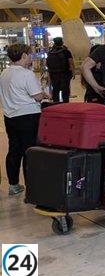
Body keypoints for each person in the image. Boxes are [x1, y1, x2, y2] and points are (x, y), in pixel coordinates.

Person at [1, 43, 49, 196]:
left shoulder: (4, 73)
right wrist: (44, 93)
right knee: (30, 151)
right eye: (29, 54)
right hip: (28, 117)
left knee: (14, 150)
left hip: (10, 116)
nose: (31, 57)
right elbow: (37, 96)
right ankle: (32, 187)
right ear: (23, 56)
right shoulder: (26, 74)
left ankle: (13, 185)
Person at [46, 37, 74, 103]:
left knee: (55, 90)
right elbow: (71, 63)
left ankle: (56, 104)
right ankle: (65, 105)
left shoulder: (50, 52)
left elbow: (47, 64)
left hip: (54, 74)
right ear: (62, 43)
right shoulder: (66, 52)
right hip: (65, 74)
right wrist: (73, 72)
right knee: (65, 91)